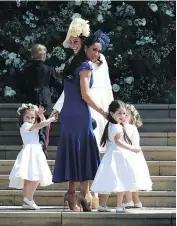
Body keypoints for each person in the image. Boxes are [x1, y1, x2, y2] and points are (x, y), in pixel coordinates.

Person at [51, 18, 113, 208]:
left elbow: (70, 91)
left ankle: (72, 194)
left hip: (69, 114)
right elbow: (85, 94)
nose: (97, 53)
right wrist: (103, 111)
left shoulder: (71, 63)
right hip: (81, 112)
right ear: (87, 48)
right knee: (85, 152)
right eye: (94, 49)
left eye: (99, 50)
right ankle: (84, 196)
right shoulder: (85, 66)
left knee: (74, 152)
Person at [91, 100, 151, 213]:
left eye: (124, 113)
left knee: (111, 181)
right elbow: (118, 141)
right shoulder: (117, 127)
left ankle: (103, 205)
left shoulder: (111, 124)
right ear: (112, 114)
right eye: (119, 113)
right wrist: (131, 148)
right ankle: (118, 206)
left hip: (112, 155)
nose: (122, 116)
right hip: (118, 154)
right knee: (121, 180)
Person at [9, 103, 56, 210]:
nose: (30, 119)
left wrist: (40, 115)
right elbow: (41, 125)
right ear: (22, 117)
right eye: (27, 117)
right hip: (30, 152)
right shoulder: (25, 126)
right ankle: (28, 200)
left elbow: (42, 124)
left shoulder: (32, 125)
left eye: (32, 117)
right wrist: (51, 118)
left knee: (32, 177)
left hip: (35, 151)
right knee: (34, 177)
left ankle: (27, 200)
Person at [23, 44, 57, 159]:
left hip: (30, 100)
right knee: (44, 125)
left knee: (30, 124)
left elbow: (20, 84)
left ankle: (32, 147)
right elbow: (56, 83)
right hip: (45, 100)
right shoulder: (48, 69)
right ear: (43, 55)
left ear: (32, 55)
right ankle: (42, 145)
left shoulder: (26, 68)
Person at [122, 104, 152, 208]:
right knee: (131, 180)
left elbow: (134, 143)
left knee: (128, 180)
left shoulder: (130, 128)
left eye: (126, 115)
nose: (123, 117)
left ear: (132, 117)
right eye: (122, 114)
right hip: (131, 155)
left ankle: (130, 200)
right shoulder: (123, 127)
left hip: (130, 156)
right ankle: (136, 201)